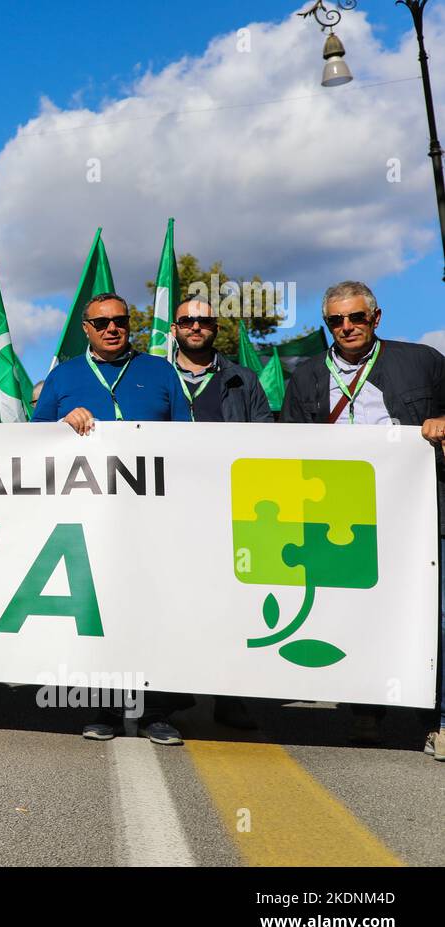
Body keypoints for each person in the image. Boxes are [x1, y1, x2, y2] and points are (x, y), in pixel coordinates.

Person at [281, 279, 445, 758]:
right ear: (326, 325)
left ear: (377, 318)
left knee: (433, 614)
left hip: (419, 512)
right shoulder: (308, 376)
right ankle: (366, 709)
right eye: (336, 320)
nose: (347, 327)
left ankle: (435, 718)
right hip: (343, 517)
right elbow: (289, 447)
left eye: (356, 317)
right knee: (357, 612)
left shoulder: (422, 362)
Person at [33, 292, 191, 745]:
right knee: (98, 611)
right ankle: (101, 707)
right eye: (101, 323)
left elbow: (189, 438)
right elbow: (34, 437)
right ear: (86, 328)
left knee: (154, 610)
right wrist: (62, 422)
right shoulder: (63, 376)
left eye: (120, 321)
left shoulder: (160, 371)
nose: (111, 329)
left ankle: (156, 709)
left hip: (153, 516)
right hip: (90, 516)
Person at [171, 294, 272, 730]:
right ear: (173, 328)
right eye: (187, 321)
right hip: (168, 507)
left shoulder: (242, 379)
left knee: (233, 602)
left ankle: (230, 694)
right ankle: (169, 694)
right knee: (172, 599)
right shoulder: (155, 376)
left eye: (205, 320)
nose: (196, 327)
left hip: (228, 507)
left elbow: (268, 439)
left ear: (216, 327)